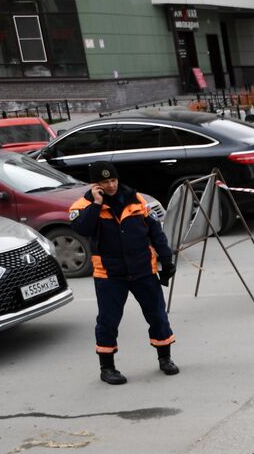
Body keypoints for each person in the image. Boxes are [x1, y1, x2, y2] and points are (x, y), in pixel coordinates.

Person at [69, 162, 177, 385]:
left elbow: (156, 233)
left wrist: (166, 259)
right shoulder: (83, 205)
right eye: (104, 182)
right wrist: (97, 204)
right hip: (109, 274)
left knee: (157, 315)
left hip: (143, 270)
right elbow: (83, 229)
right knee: (108, 321)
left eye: (113, 180)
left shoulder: (136, 200)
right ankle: (107, 368)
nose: (110, 185)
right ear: (95, 185)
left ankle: (165, 358)